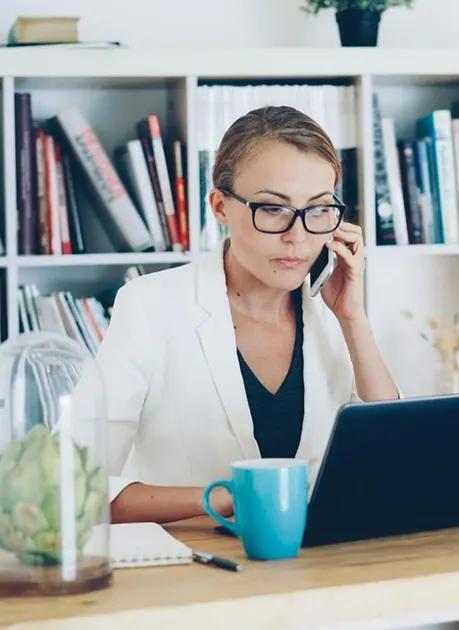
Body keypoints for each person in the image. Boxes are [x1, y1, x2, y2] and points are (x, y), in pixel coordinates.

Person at [99, 105, 400, 524]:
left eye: (318, 210)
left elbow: (391, 454)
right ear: (220, 206)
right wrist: (231, 496)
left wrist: (354, 319)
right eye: (273, 209)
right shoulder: (149, 305)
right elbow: (76, 483)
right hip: (195, 571)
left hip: (324, 568)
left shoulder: (334, 310)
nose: (297, 237)